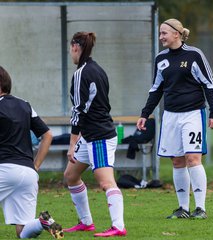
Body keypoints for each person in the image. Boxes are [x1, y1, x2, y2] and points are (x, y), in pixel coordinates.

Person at [137, 18, 213, 219]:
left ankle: (200, 208)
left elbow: (209, 84)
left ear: (176, 33)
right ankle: (183, 208)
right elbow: (156, 89)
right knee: (177, 161)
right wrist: (144, 114)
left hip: (193, 114)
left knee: (193, 158)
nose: (161, 37)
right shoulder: (161, 59)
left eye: (164, 33)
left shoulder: (194, 55)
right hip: (170, 117)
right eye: (160, 33)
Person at [63, 32, 126, 237]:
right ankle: (86, 222)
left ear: (75, 47)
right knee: (71, 176)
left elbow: (78, 111)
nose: (70, 52)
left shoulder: (82, 72)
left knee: (106, 181)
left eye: (71, 48)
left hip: (99, 135)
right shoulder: (97, 69)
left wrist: (72, 144)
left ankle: (118, 227)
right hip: (90, 135)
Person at [0, 66, 63, 238]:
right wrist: (35, 166)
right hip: (28, 173)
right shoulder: (25, 105)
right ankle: (42, 222)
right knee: (23, 230)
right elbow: (47, 135)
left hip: (4, 170)